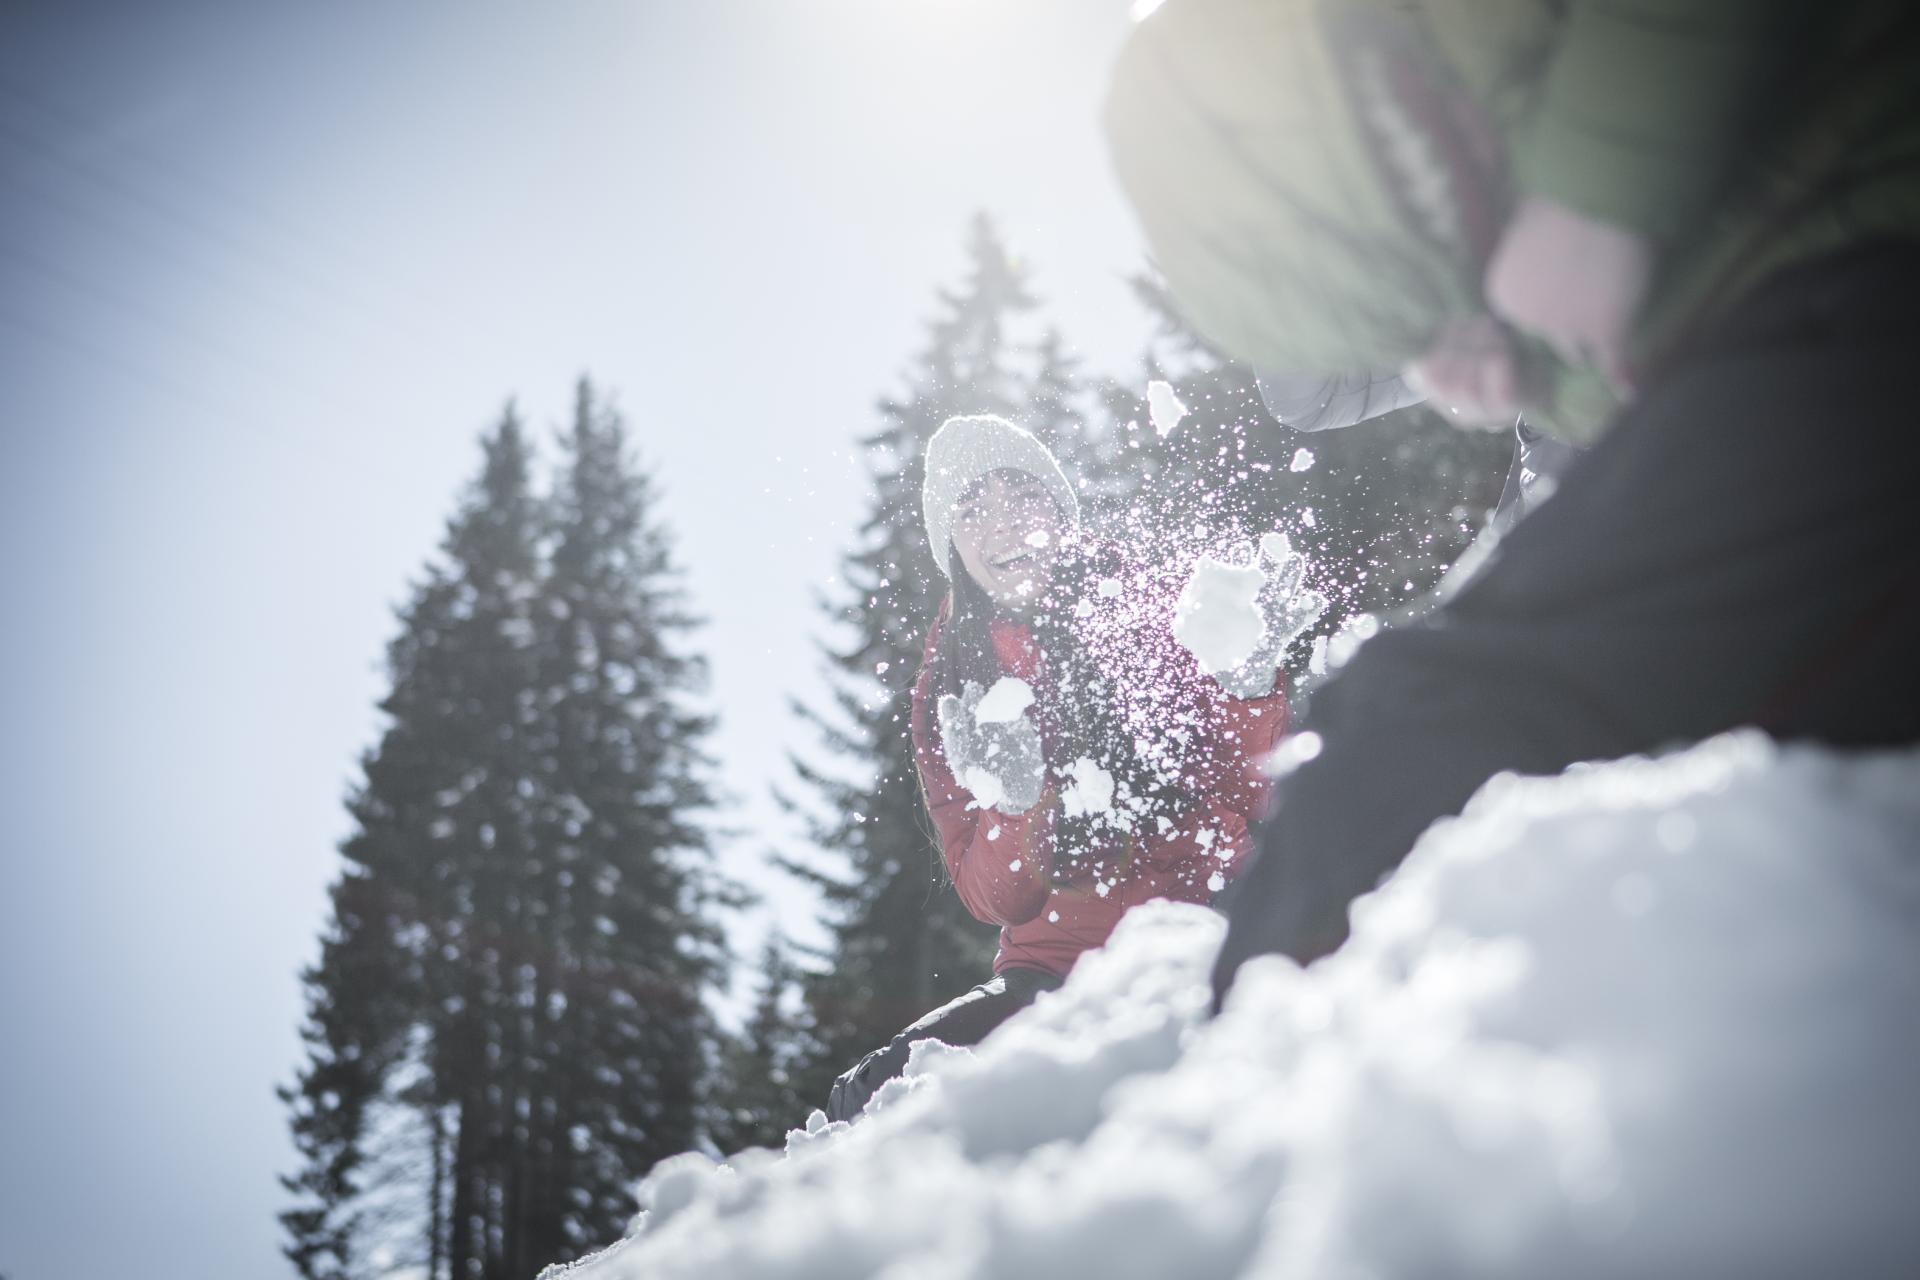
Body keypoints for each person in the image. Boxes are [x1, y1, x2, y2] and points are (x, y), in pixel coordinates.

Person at [1101, 0, 1920, 1001]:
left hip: (1862, 254)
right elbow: (1313, 380)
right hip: (1792, 311)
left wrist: (1595, 200)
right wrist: (1489, 338)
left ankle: (1262, 1108)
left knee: (1415, 736)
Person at [823, 414, 1311, 1121]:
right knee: (871, 1096)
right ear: (952, 543)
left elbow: (1256, 797)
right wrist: (1014, 803)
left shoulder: (1147, 608)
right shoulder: (951, 689)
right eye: (973, 508)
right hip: (1051, 977)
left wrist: (1249, 685)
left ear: (1058, 511)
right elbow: (990, 899)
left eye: (1021, 496)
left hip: (1204, 935)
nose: (1003, 525)